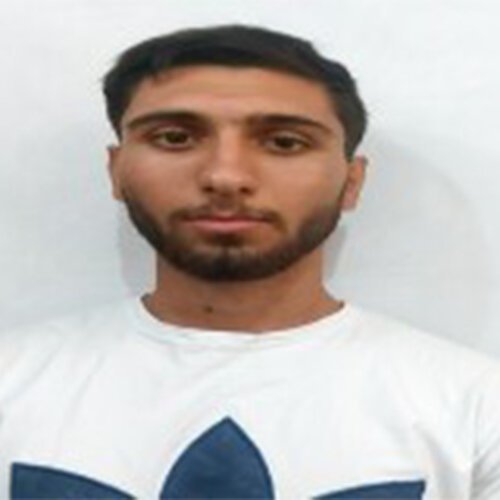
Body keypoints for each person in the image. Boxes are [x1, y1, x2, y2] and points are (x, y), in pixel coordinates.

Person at [1, 24, 499, 500]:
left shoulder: (476, 406)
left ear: (352, 182)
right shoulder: (14, 382)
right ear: (117, 171)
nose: (225, 176)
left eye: (285, 142)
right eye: (175, 138)